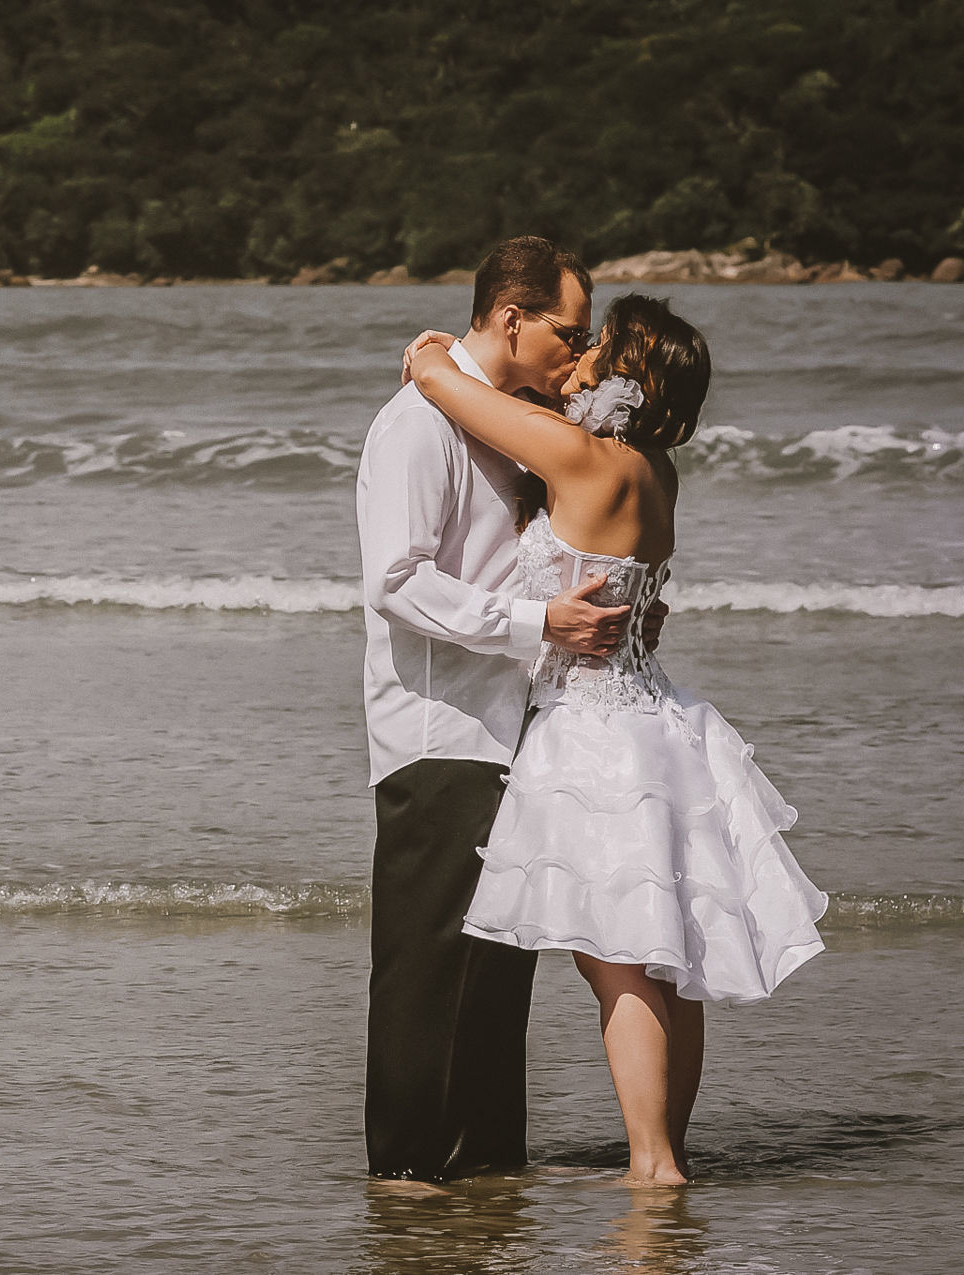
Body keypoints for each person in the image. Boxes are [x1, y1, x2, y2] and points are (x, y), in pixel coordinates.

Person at [400, 293, 828, 1186]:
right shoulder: (656, 471)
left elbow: (442, 383)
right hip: (660, 720)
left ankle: (650, 1164)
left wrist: (436, 351)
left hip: (593, 731)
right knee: (672, 960)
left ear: (627, 372)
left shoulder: (581, 455)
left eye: (598, 348)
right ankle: (670, 1149)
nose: (582, 356)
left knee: (620, 967)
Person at [355, 236, 655, 1182]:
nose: (581, 351)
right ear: (511, 317)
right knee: (428, 970)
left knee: (497, 974)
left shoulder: (509, 417)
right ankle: (407, 1179)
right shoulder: (417, 424)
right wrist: (541, 623)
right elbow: (396, 581)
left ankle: (483, 1178)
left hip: (522, 729)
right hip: (440, 730)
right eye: (569, 332)